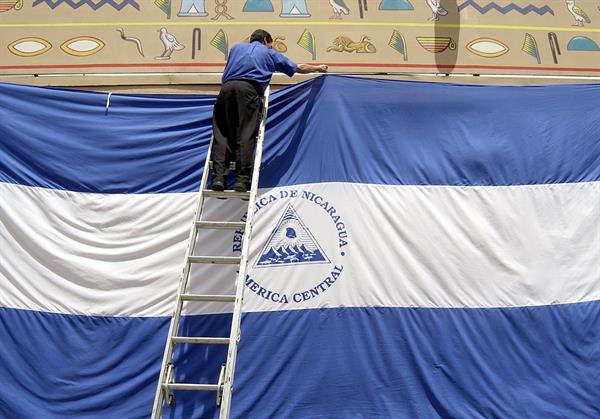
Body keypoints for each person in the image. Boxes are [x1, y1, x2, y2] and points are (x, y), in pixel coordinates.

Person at [211, 29, 328, 192]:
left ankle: (218, 178)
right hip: (249, 91)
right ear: (266, 40)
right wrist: (319, 68)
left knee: (222, 134)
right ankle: (241, 180)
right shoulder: (269, 53)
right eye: (271, 45)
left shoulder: (236, 48)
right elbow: (297, 68)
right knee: (246, 134)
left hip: (226, 90)